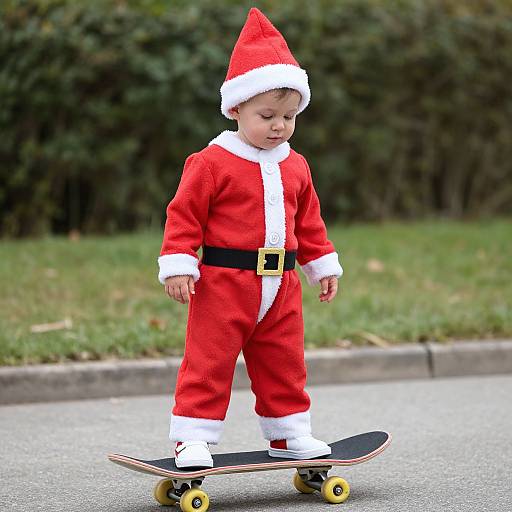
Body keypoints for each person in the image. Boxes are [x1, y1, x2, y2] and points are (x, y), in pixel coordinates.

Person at [158, 7, 343, 469]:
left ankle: (288, 434)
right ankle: (192, 437)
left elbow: (310, 223)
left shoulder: (295, 164)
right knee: (209, 361)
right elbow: (183, 216)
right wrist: (179, 261)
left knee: (283, 361)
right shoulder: (211, 162)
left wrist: (321, 265)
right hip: (223, 283)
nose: (279, 125)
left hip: (281, 287)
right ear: (236, 108)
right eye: (267, 115)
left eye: (289, 115)